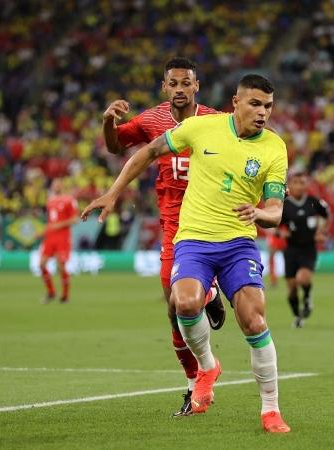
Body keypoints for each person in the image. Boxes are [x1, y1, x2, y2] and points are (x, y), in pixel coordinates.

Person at [82, 74, 291, 433]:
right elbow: (148, 151)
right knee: (185, 303)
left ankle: (270, 410)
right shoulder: (201, 128)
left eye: (268, 106)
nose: (262, 113)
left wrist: (261, 214)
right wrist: (114, 192)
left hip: (239, 243)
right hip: (193, 239)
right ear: (235, 102)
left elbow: (275, 208)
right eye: (255, 104)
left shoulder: (274, 147)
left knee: (254, 321)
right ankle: (208, 366)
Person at [102, 57, 226, 416]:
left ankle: (210, 292)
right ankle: (194, 381)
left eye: (186, 83)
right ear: (164, 87)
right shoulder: (153, 119)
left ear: (196, 86)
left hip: (209, 222)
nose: (179, 90)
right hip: (173, 225)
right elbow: (115, 147)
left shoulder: (216, 121)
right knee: (174, 310)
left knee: (183, 297)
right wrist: (108, 122)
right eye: (173, 84)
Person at [280, 170, 330, 328]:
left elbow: (327, 215)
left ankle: (307, 297)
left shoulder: (314, 202)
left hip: (308, 248)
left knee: (303, 278)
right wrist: (281, 231)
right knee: (292, 288)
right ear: (290, 185)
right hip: (291, 249)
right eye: (296, 183)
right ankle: (297, 317)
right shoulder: (284, 205)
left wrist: (322, 231)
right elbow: (276, 224)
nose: (300, 186)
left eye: (303, 183)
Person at [39, 178, 78, 303]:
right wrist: (42, 232)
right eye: (54, 184)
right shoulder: (50, 201)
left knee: (61, 265)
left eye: (58, 184)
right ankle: (51, 292)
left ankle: (65, 295)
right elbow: (50, 222)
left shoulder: (69, 200)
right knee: (42, 264)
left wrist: (59, 225)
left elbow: (74, 220)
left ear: (62, 186)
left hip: (62, 237)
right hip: (50, 237)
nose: (56, 186)